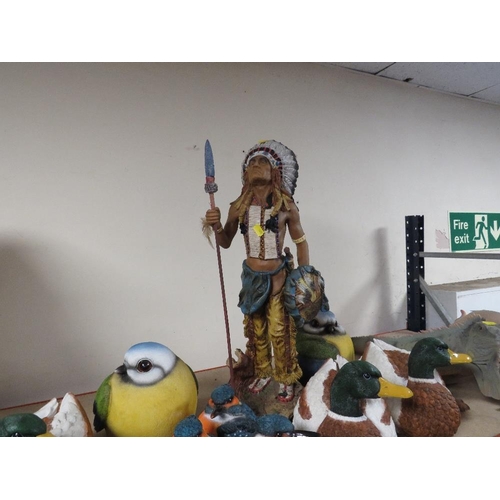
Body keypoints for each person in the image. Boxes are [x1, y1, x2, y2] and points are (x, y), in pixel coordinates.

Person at [205, 140, 309, 402]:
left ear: (275, 171)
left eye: (263, 161)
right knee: (257, 329)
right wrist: (216, 226)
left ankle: (285, 377)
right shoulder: (238, 207)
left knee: (279, 330)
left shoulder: (286, 206)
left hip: (278, 278)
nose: (255, 165)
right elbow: (225, 242)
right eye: (251, 162)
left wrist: (304, 277)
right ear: (245, 173)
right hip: (251, 279)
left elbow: (300, 241)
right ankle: (262, 372)